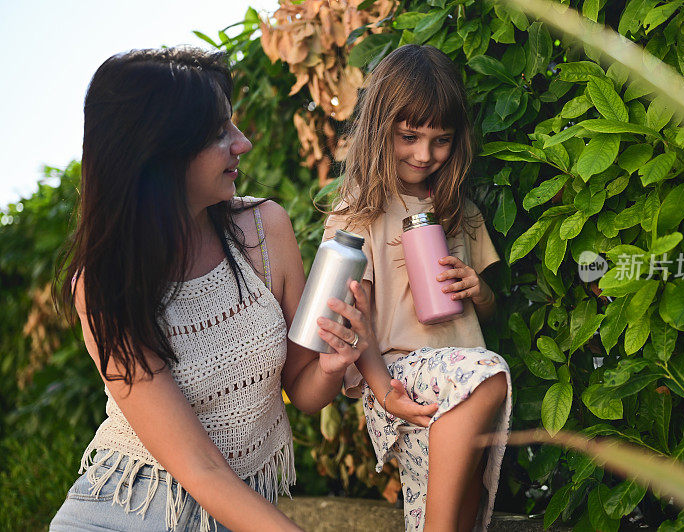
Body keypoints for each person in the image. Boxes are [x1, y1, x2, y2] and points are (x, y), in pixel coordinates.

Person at [50, 47, 375, 532]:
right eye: (220, 133)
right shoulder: (104, 286)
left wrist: (333, 365)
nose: (242, 144)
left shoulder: (264, 228)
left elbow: (303, 392)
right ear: (160, 153)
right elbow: (199, 467)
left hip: (238, 513)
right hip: (129, 510)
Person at [321, 44, 512, 532]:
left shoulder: (461, 211)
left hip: (459, 381)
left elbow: (487, 311)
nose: (424, 155)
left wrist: (477, 290)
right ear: (380, 128)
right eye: (409, 136)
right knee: (489, 376)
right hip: (403, 376)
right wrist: (383, 391)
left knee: (453, 513)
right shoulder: (359, 212)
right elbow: (350, 321)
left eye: (441, 140)